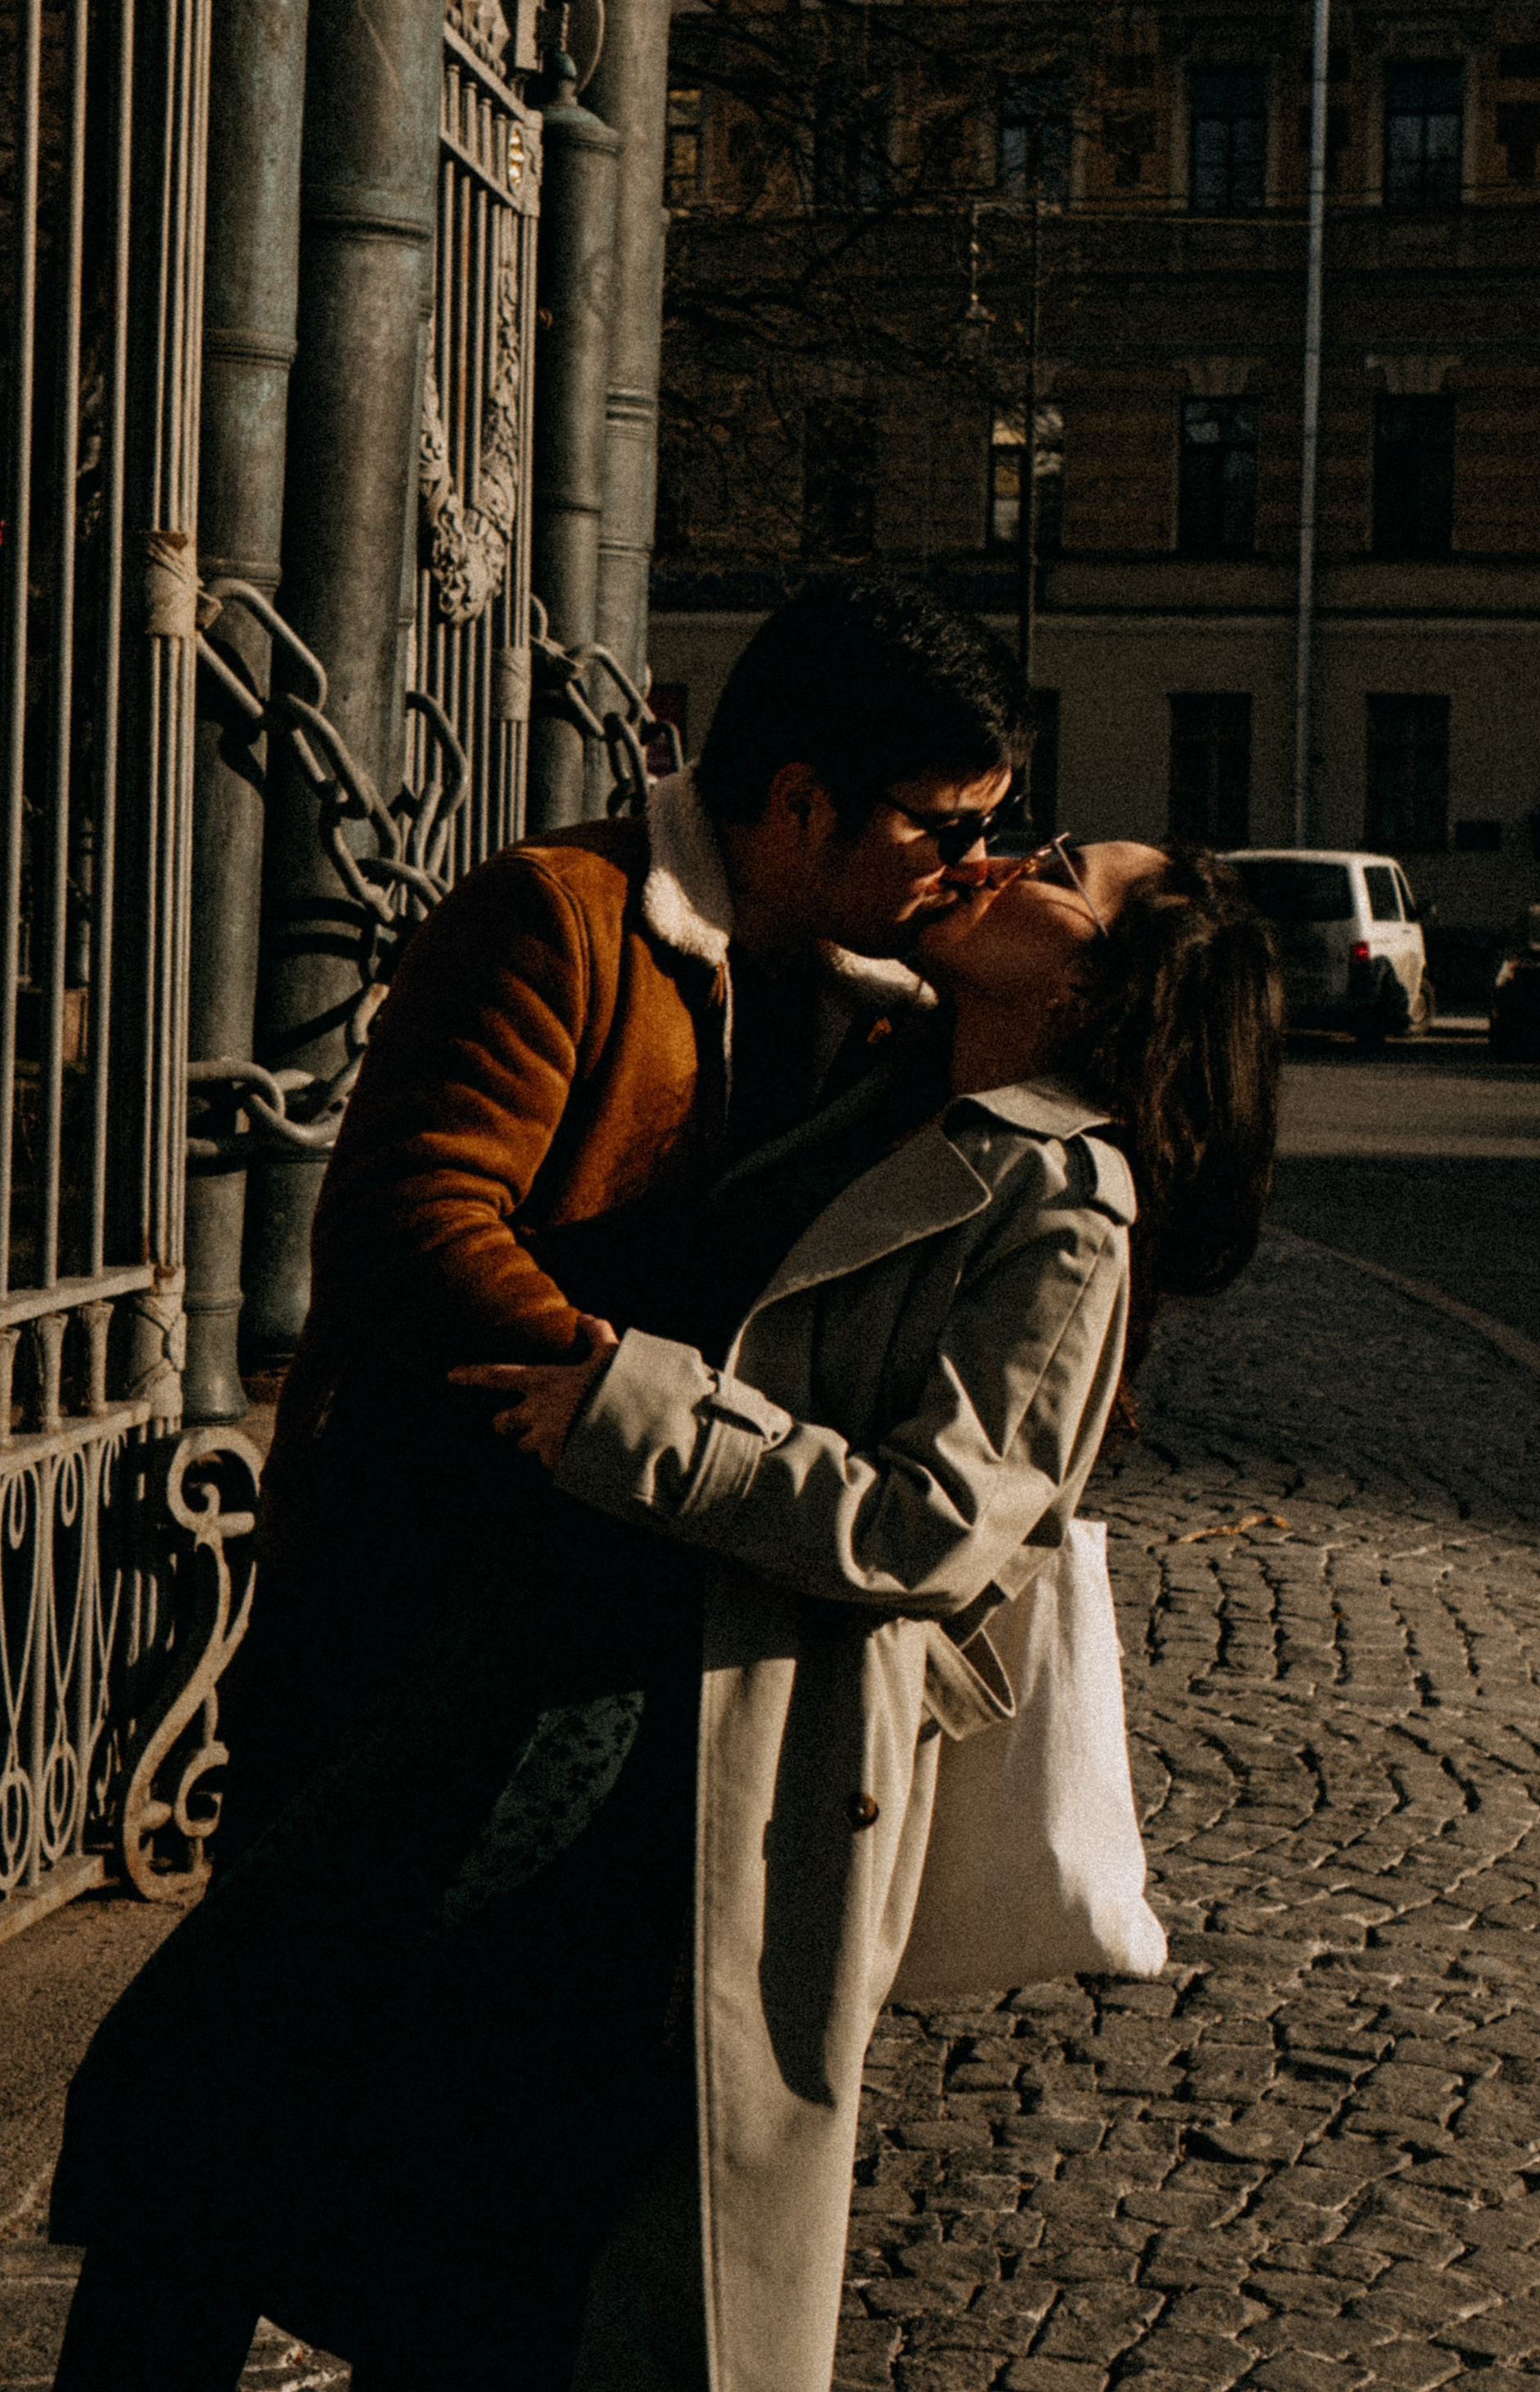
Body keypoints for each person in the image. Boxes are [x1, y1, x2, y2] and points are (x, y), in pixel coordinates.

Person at [47, 575, 1035, 2385]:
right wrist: (615, 1395)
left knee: (477, 2134)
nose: (967, 866)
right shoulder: (562, 916)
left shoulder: (883, 996)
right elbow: (408, 1222)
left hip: (612, 1642)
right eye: (939, 824)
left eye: (995, 834)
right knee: (237, 2074)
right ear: (794, 803)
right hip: (418, 1603)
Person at [449, 833, 1284, 2392]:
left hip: (760, 1738)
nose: (1011, 856)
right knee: (500, 2173)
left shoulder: (1067, 1200)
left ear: (1102, 971)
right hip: (620, 1675)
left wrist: (642, 1421)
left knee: (646, 2226)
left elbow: (939, 1523)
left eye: (1063, 868)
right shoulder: (889, 1087)